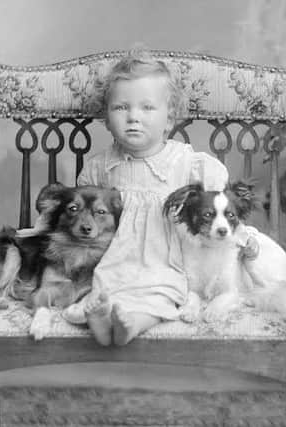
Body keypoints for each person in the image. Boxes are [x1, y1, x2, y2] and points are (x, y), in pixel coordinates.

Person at [74, 52, 229, 346]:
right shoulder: (100, 168)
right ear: (107, 117)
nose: (133, 117)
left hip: (166, 263)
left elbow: (218, 207)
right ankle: (102, 321)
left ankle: (130, 326)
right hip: (114, 260)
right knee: (104, 288)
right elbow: (83, 217)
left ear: (168, 117)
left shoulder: (185, 163)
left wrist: (244, 238)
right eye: (121, 107)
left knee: (165, 294)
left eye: (147, 108)